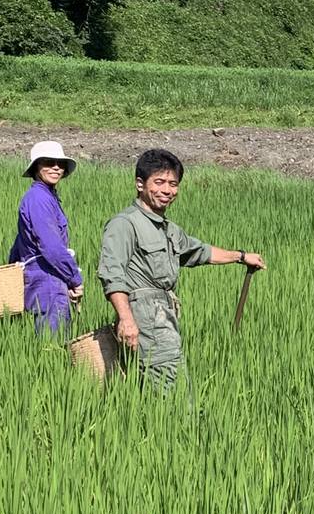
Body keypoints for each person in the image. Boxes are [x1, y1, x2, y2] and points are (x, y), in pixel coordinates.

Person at [97, 148, 265, 389]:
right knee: (170, 390)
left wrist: (241, 256)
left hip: (164, 314)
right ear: (140, 184)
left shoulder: (168, 229)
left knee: (161, 385)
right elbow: (112, 274)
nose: (167, 190)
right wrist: (126, 319)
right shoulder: (124, 224)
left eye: (173, 184)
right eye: (160, 182)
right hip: (145, 315)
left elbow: (200, 251)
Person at [9, 140, 84, 334]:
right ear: (36, 167)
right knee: (53, 347)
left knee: (48, 346)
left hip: (44, 282)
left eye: (60, 164)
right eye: (49, 162)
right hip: (48, 283)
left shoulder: (44, 197)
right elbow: (51, 247)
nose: (56, 167)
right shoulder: (39, 199)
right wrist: (74, 278)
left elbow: (19, 244)